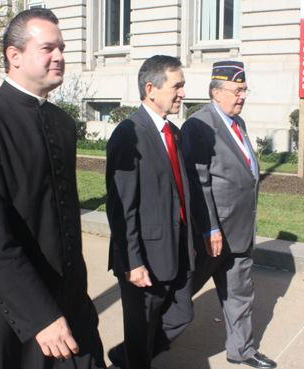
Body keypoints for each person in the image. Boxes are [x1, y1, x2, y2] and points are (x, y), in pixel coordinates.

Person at [0, 9, 106, 369]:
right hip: (7, 305)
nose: (60, 56)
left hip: (67, 294)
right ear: (14, 56)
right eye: (48, 47)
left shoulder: (61, 122)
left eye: (62, 47)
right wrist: (39, 315)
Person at [181, 61, 277, 369]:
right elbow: (198, 182)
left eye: (244, 90)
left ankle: (242, 351)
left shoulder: (239, 123)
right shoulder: (199, 125)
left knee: (240, 295)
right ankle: (143, 346)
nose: (242, 97)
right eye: (237, 91)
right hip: (213, 235)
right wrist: (210, 229)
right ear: (216, 92)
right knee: (180, 296)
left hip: (240, 230)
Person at [106, 55, 195, 369]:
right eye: (177, 86)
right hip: (143, 257)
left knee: (182, 313)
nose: (182, 93)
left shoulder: (174, 132)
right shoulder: (129, 134)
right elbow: (121, 207)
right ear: (151, 89)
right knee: (141, 330)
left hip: (176, 247)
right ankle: (134, 356)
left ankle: (126, 355)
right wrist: (133, 262)